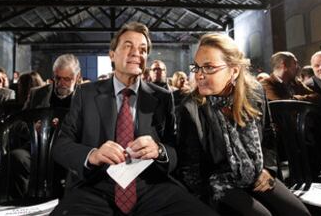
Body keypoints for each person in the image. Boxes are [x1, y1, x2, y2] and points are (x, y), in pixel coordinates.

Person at [50, 22, 217, 216]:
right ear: (112, 54)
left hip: (150, 188)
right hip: (95, 187)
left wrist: (159, 150)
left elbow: (174, 150)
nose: (136, 52)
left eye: (143, 49)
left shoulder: (162, 97)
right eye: (128, 46)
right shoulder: (86, 94)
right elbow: (61, 146)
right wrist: (93, 155)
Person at [176, 34, 310, 216]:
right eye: (197, 67)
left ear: (234, 71)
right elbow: (190, 169)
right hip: (218, 183)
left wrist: (269, 171)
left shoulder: (255, 93)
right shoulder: (190, 107)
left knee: (300, 214)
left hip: (256, 173)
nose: (199, 75)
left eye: (208, 67)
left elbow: (269, 137)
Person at [6, 55, 81, 199]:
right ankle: (22, 205)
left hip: (68, 150)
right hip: (37, 149)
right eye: (58, 78)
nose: (61, 83)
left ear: (78, 77)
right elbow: (18, 124)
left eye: (67, 79)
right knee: (16, 157)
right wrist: (32, 127)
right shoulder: (37, 94)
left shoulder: (85, 96)